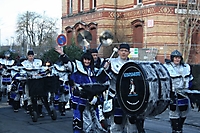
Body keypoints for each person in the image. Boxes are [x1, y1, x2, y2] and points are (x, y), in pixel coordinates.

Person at [55, 46, 108, 133]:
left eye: (88, 60)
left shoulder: (94, 71)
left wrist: (106, 67)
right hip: (80, 99)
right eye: (85, 59)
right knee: (79, 120)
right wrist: (62, 54)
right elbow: (68, 65)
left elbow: (101, 81)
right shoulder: (77, 68)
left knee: (95, 120)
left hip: (93, 99)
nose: (87, 61)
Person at [103, 43, 145, 133]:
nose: (123, 53)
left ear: (129, 52)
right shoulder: (111, 62)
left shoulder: (133, 65)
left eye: (126, 51)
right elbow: (101, 77)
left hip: (130, 99)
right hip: (115, 95)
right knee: (116, 123)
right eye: (122, 50)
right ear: (118, 52)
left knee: (132, 124)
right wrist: (105, 68)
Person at [164, 50, 193, 133]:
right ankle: (175, 129)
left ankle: (180, 127)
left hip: (185, 93)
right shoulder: (167, 67)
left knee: (184, 111)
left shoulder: (186, 67)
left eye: (178, 58)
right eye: (175, 58)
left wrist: (190, 90)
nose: (177, 59)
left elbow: (190, 79)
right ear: (172, 58)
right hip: (173, 93)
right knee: (174, 112)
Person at [20, 50, 44, 117]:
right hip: (29, 82)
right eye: (29, 56)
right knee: (29, 97)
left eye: (32, 56)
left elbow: (42, 70)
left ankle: (40, 111)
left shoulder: (38, 62)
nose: (31, 57)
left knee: (39, 97)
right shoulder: (24, 63)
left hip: (38, 82)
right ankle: (31, 111)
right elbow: (22, 72)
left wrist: (43, 73)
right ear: (27, 56)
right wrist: (25, 75)